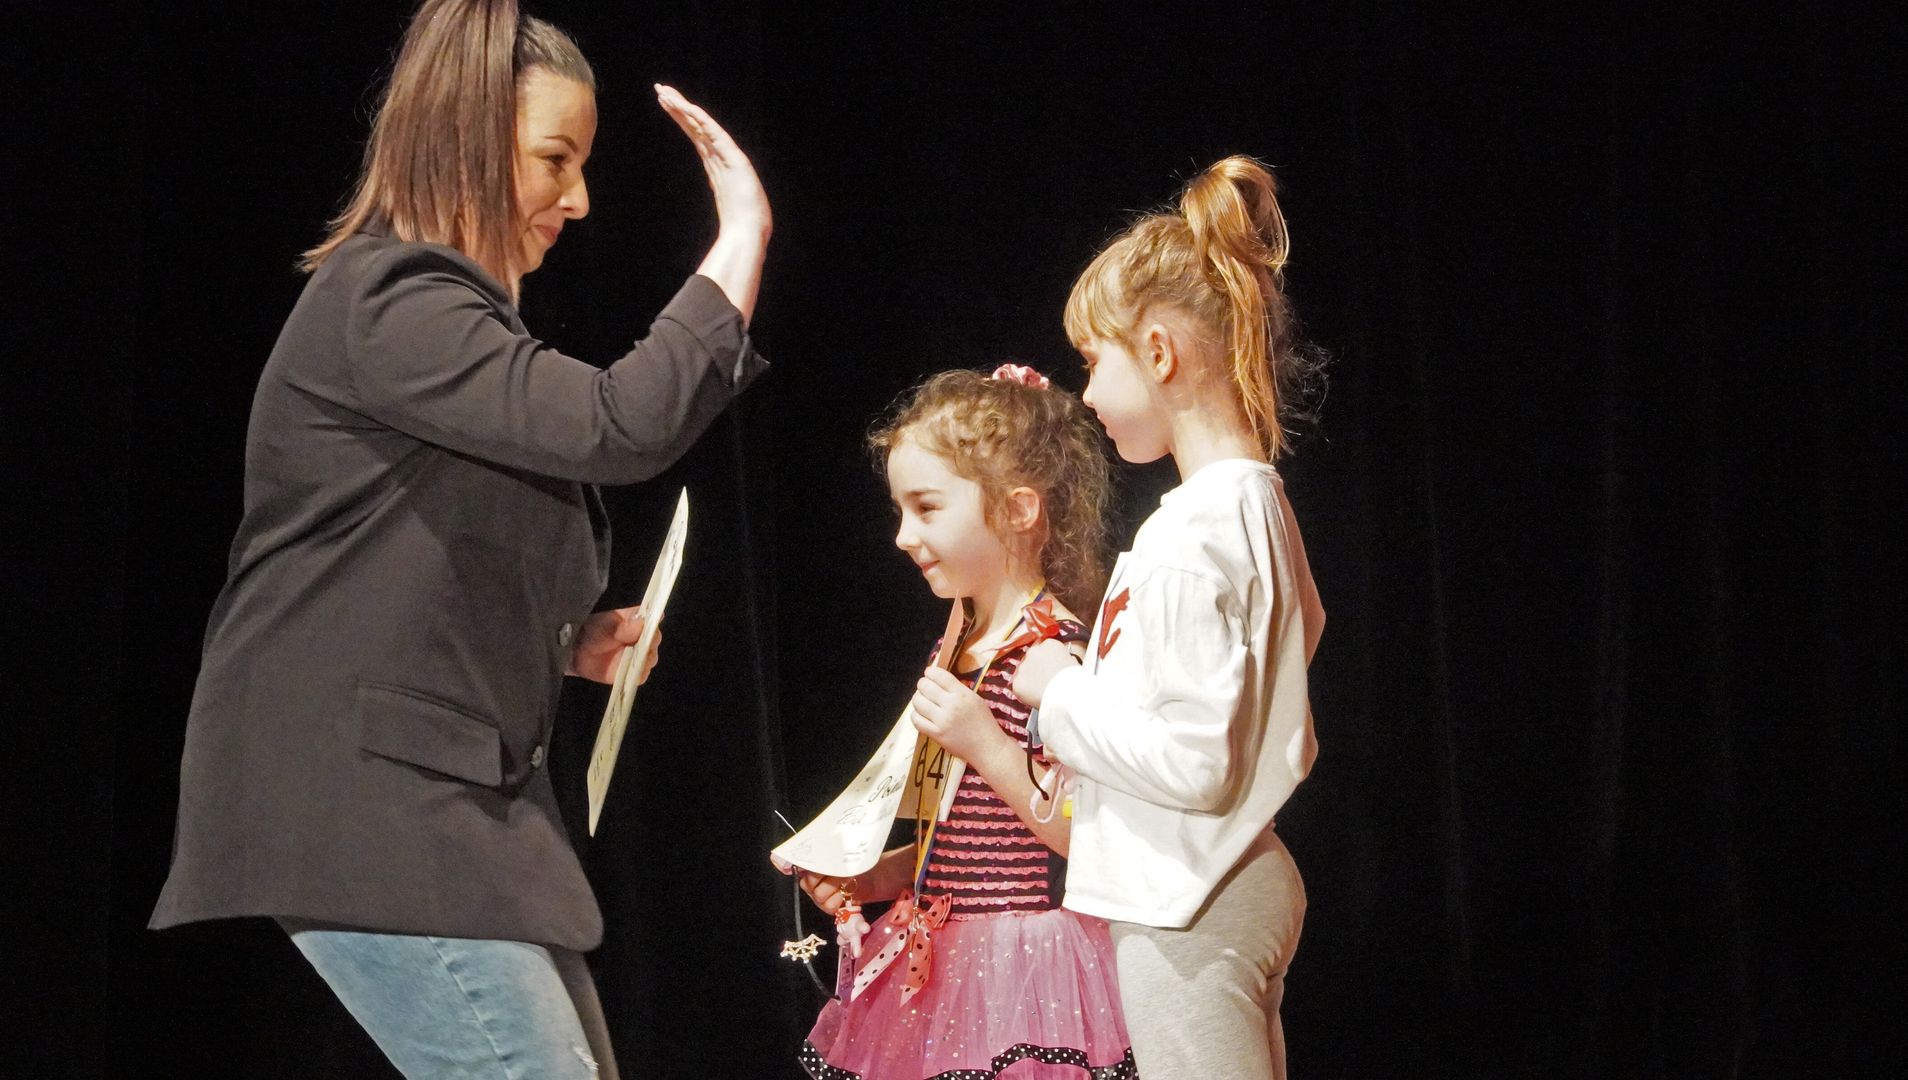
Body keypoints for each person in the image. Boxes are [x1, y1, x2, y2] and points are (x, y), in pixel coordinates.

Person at [146, 1, 772, 1076]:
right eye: (553, 160)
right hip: (370, 804)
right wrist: (744, 233)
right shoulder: (391, 295)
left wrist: (567, 642)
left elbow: (399, 554)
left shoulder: (432, 318)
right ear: (466, 141)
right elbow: (621, 423)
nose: (578, 199)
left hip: (449, 803)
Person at [1010, 156, 1327, 1080]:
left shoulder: (1190, 529)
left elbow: (1195, 762)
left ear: (1158, 353)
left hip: (1190, 898)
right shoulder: (1255, 501)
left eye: (1092, 363)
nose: (1086, 395)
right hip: (1231, 873)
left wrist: (1061, 694)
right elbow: (1301, 629)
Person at [793, 366, 1136, 1080]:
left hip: (1025, 971)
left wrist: (983, 740)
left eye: (926, 507)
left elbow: (1083, 836)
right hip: (940, 955)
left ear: (1017, 510)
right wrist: (871, 879)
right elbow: (952, 839)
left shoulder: (1052, 652)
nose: (903, 535)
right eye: (900, 510)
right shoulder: (957, 646)